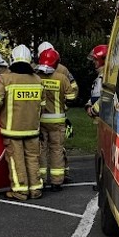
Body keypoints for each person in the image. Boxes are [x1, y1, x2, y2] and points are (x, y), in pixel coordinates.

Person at [0, 45, 45, 200]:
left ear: (12, 59)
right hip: (33, 129)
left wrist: (0, 111)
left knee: (16, 160)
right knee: (33, 158)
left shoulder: (7, 78)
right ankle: (35, 189)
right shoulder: (37, 80)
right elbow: (43, 105)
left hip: (12, 129)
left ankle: (20, 191)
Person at [36, 47, 74, 191]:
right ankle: (57, 182)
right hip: (57, 121)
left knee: (42, 150)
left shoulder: (37, 77)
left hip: (41, 120)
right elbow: (71, 97)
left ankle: (42, 179)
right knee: (57, 150)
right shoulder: (62, 78)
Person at [86, 44, 107, 119]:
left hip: (104, 117)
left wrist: (93, 110)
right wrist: (89, 105)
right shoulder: (100, 76)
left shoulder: (106, 77)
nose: (93, 62)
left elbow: (106, 97)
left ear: (103, 59)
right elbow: (95, 93)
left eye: (95, 59)